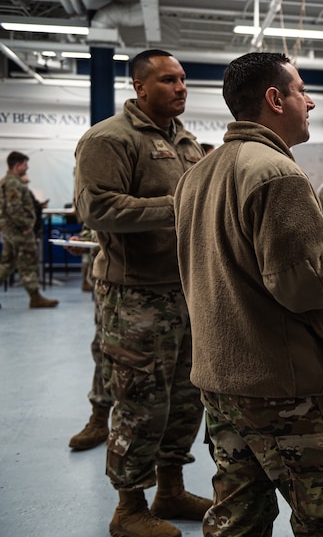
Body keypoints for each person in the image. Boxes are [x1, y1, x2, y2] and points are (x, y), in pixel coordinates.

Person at [175, 51, 323, 537]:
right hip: (281, 388)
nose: (308, 102)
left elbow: (237, 256)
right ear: (274, 99)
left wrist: (309, 243)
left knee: (238, 515)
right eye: (301, 90)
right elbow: (304, 289)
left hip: (220, 378)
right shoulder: (278, 173)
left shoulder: (196, 174)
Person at [74, 49, 210, 537]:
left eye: (183, 79)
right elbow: (97, 209)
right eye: (168, 79)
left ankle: (169, 488)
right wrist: (175, 208)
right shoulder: (109, 139)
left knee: (185, 397)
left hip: (186, 290)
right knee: (140, 401)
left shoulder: (188, 143)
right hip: (134, 298)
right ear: (140, 86)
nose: (180, 87)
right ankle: (128, 506)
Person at [65, 226, 112, 451]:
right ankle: (99, 418)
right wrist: (84, 239)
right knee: (104, 349)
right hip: (110, 277)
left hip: (163, 276)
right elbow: (97, 219)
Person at [0, 151, 59, 309]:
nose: (27, 167)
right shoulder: (13, 183)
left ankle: (35, 296)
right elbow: (14, 209)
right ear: (17, 165)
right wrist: (25, 226)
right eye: (25, 164)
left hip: (10, 230)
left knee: (7, 264)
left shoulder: (10, 181)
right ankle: (35, 297)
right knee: (28, 262)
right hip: (18, 231)